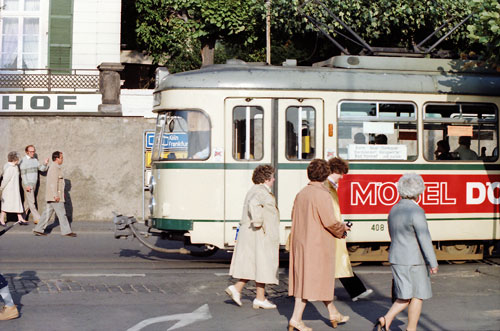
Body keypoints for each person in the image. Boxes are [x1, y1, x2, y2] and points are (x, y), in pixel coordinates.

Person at [288, 159, 350, 331]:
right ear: (325, 175)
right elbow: (329, 221)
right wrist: (342, 228)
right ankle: (297, 319)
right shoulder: (322, 194)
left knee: (308, 281)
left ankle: (331, 313)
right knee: (315, 281)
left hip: (301, 242)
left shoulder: (302, 193)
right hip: (317, 245)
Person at [375, 173, 438, 331]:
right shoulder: (417, 211)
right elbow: (424, 238)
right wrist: (433, 262)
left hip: (397, 257)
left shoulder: (394, 209)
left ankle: (393, 321)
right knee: (416, 296)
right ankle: (402, 325)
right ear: (418, 191)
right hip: (414, 260)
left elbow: (392, 233)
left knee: (404, 295)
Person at [226, 165, 279, 309]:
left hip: (256, 234)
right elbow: (254, 204)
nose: (274, 179)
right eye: (272, 177)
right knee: (262, 263)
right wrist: (258, 222)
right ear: (267, 178)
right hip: (259, 234)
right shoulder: (261, 192)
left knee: (258, 265)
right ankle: (252, 295)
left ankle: (253, 295)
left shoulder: (255, 189)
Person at [325, 157, 373, 302]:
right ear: (337, 171)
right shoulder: (328, 187)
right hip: (332, 230)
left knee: (337, 261)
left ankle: (357, 290)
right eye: (341, 174)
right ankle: (356, 290)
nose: (342, 177)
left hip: (334, 229)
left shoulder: (329, 186)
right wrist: (340, 226)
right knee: (338, 261)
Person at [32, 151, 76, 237]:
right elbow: (53, 183)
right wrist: (55, 195)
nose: (62, 159)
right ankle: (66, 231)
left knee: (47, 213)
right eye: (61, 158)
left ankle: (38, 229)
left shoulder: (57, 167)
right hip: (55, 196)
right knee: (62, 214)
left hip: (54, 196)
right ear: (56, 158)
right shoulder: (54, 168)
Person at [19, 145, 49, 224]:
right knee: (32, 201)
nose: (33, 153)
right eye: (31, 151)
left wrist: (45, 164)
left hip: (34, 184)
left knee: (28, 201)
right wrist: (27, 185)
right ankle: (38, 219)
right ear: (27, 152)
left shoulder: (35, 160)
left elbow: (42, 169)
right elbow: (23, 175)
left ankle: (21, 218)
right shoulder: (23, 161)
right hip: (27, 184)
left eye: (34, 151)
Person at [0, 152, 28, 226]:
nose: (18, 160)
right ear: (15, 159)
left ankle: (20, 218)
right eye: (18, 159)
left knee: (17, 203)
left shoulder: (14, 166)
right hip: (9, 190)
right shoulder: (9, 168)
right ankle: (1, 219)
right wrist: (1, 188)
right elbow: (5, 179)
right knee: (6, 204)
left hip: (14, 189)